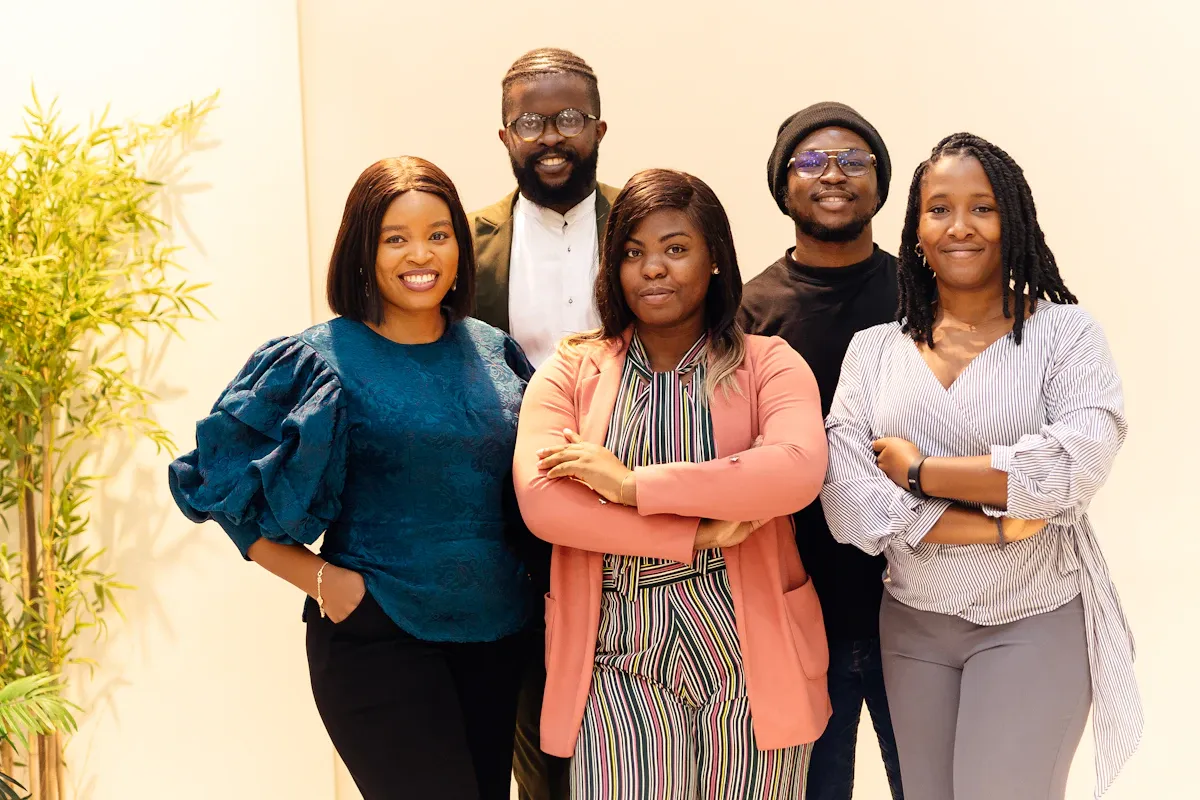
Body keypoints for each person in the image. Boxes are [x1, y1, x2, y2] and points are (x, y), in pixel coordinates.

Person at [168, 157, 534, 800]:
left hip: (497, 639)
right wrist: (320, 580)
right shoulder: (317, 358)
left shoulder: (494, 349)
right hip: (380, 639)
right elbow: (215, 485)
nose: (420, 254)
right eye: (396, 237)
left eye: (439, 234)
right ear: (363, 250)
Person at [820, 133, 1141, 800]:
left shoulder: (1066, 335)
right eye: (939, 208)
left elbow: (1068, 467)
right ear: (914, 230)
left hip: (1033, 616)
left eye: (983, 208)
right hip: (912, 624)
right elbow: (847, 498)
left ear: (1014, 221)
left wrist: (919, 474)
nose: (960, 227)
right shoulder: (874, 352)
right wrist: (994, 524)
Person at [513, 168, 831, 799]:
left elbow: (794, 470)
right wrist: (693, 535)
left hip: (747, 656)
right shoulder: (571, 371)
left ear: (715, 258)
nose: (652, 268)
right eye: (633, 253)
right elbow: (544, 502)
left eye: (676, 248)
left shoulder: (769, 362)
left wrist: (632, 487)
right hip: (615, 662)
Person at [739, 101, 904, 800]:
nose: (832, 174)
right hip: (799, 615)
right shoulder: (748, 312)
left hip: (917, 607)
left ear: (880, 182)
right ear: (783, 184)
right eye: (811, 161)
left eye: (853, 160)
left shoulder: (922, 296)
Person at [468, 46, 620, 800]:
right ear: (504, 137)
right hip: (506, 522)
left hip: (634, 506)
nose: (551, 137)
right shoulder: (463, 244)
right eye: (530, 122)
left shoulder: (649, 225)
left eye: (568, 119)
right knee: (532, 719)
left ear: (598, 126)